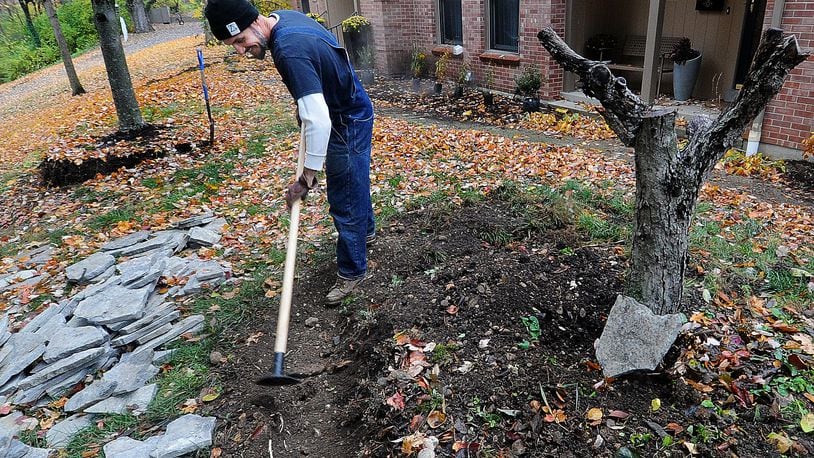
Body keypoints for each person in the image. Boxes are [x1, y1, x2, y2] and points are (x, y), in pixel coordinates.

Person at [205, 0, 375, 305]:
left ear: (256, 22)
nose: (241, 51)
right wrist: (305, 105)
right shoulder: (286, 19)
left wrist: (306, 177)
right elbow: (318, 71)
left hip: (344, 119)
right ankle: (367, 234)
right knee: (355, 181)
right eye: (234, 45)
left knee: (345, 195)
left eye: (241, 40)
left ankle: (352, 271)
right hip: (348, 104)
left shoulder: (288, 50)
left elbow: (319, 120)